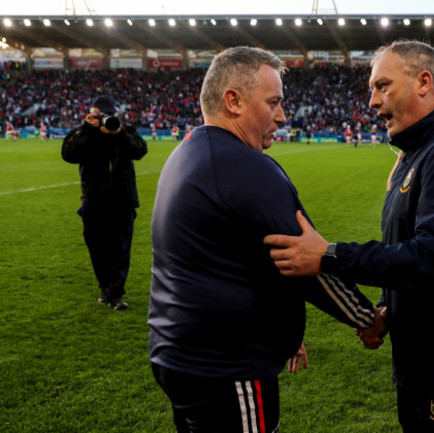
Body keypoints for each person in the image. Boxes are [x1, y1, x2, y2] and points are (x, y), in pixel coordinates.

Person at [264, 40, 434, 433]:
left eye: (382, 86)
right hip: (421, 364)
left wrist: (328, 255)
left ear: (423, 82)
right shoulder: (412, 157)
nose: (372, 101)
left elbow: (433, 258)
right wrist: (385, 310)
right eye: (371, 89)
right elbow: (404, 251)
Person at [148, 46, 381, 433]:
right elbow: (308, 261)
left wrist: (282, 330)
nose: (282, 116)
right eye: (273, 102)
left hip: (177, 353)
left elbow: (235, 258)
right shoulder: (248, 167)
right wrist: (368, 319)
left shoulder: (186, 153)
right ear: (234, 101)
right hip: (226, 364)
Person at [62, 95, 148, 310]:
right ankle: (105, 287)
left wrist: (119, 133)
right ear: (92, 115)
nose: (106, 119)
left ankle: (116, 294)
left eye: (110, 115)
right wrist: (88, 128)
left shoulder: (125, 130)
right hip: (94, 200)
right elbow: (68, 153)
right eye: (100, 115)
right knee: (97, 248)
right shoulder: (84, 132)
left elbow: (140, 151)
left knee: (121, 249)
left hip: (123, 201)